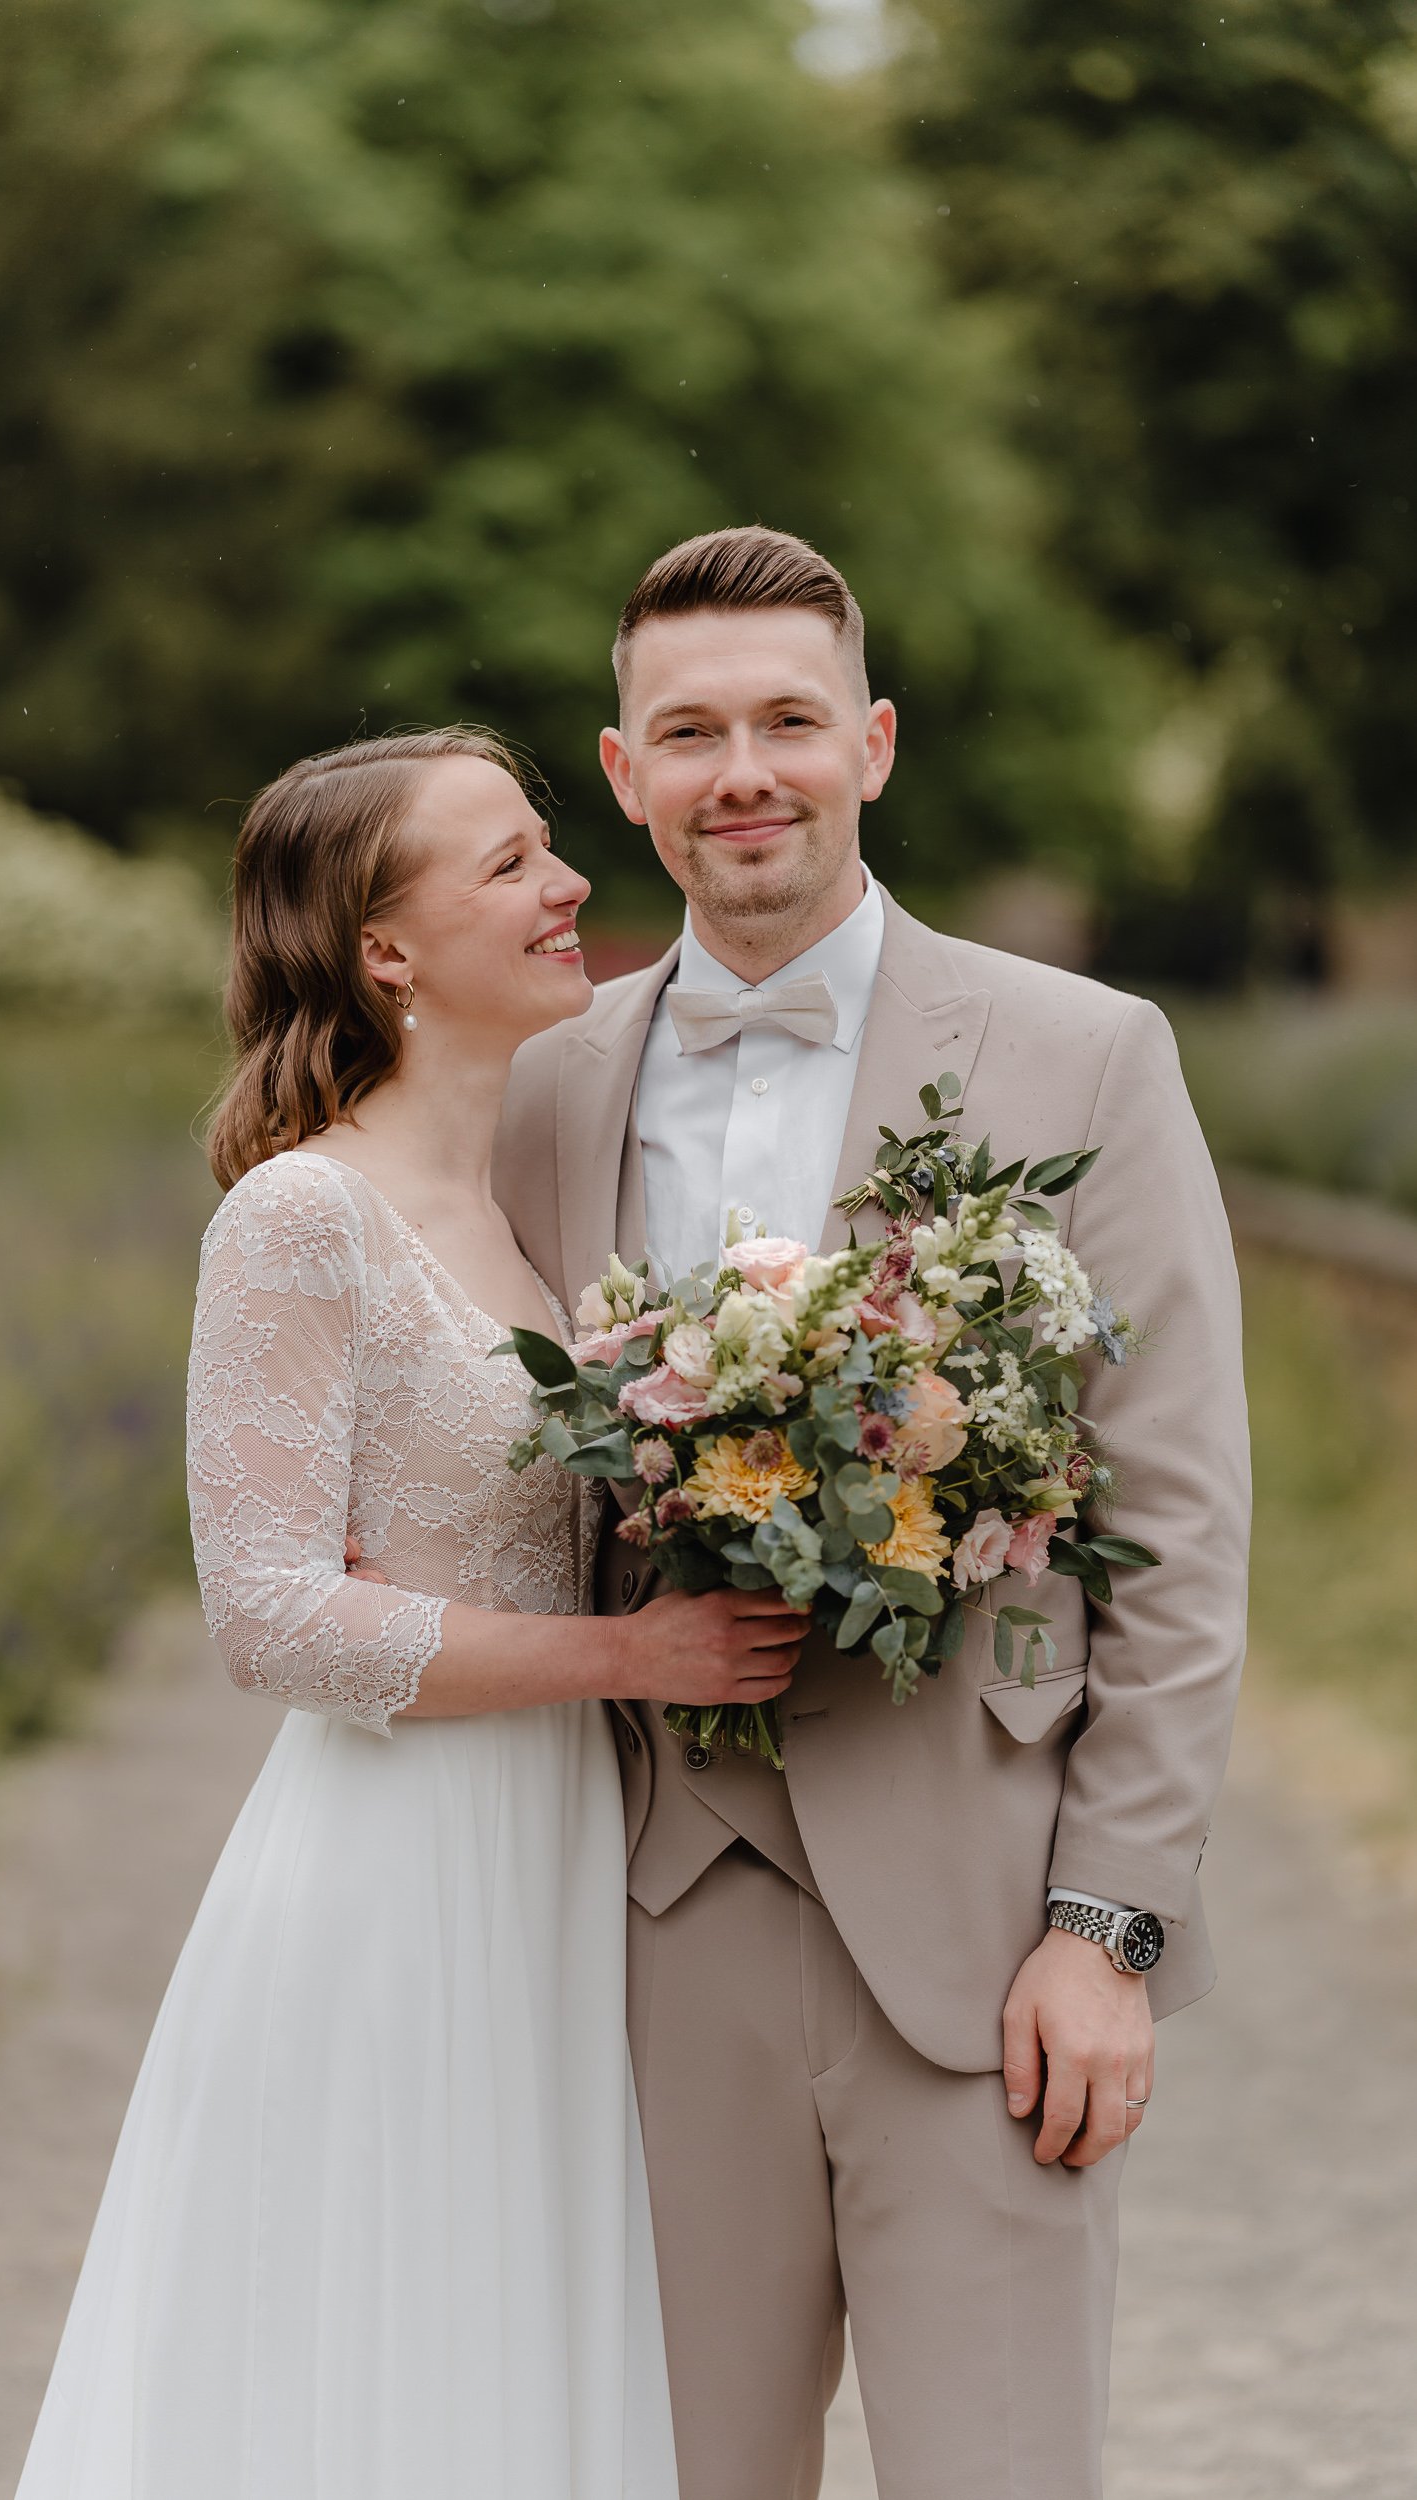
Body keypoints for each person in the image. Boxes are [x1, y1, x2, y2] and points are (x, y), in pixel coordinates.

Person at [494, 528, 1251, 2500]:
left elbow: (1171, 1520)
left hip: (989, 1925)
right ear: (628, 767)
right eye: (692, 730)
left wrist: (1108, 1924)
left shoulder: (1087, 1052)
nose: (745, 767)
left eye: (789, 721)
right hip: (654, 1918)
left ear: (876, 744)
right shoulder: (545, 1085)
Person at [15, 727, 808, 2500]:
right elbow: (272, 1617)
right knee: (372, 2358)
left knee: (519, 2346)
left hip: (558, 1849)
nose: (569, 885)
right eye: (513, 862)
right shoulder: (303, 1218)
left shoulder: (529, 1215)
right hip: (395, 1864)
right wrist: (628, 1656)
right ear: (385, 950)